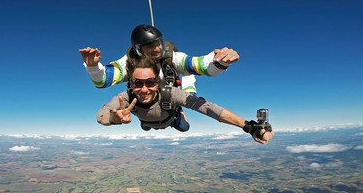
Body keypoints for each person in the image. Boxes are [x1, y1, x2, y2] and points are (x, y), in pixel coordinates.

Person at [81, 24, 239, 131]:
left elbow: (198, 65)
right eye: (150, 45)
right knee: (147, 123)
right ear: (138, 49)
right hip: (146, 106)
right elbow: (104, 79)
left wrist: (218, 63)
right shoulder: (129, 63)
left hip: (169, 102)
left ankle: (179, 111)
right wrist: (93, 67)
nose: (157, 48)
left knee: (185, 123)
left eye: (159, 43)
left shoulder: (172, 58)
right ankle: (148, 120)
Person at [96, 56, 274, 144]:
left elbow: (209, 109)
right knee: (146, 126)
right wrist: (114, 118)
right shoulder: (126, 98)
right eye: (138, 83)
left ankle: (179, 111)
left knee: (185, 127)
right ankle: (150, 122)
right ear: (130, 84)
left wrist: (248, 126)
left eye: (150, 82)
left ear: (157, 82)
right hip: (148, 121)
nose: (143, 89)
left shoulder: (171, 93)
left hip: (170, 119)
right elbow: (101, 115)